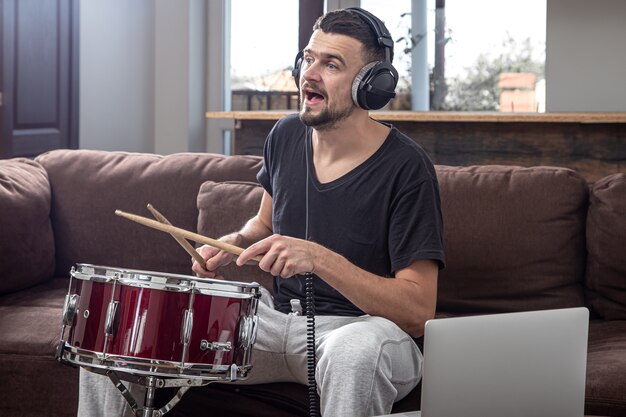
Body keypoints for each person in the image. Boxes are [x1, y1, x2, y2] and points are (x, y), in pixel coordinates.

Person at [77, 7, 444, 417]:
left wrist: (318, 259)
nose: (310, 73)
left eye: (331, 64)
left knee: (353, 354)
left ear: (370, 86)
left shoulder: (407, 168)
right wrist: (233, 244)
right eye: (308, 59)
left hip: (360, 331)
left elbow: (417, 311)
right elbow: (263, 223)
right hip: (273, 323)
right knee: (117, 334)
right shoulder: (286, 135)